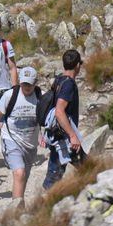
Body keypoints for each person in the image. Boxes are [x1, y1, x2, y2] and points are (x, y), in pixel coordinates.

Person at [0, 65, 40, 207]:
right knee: (19, 173)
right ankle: (17, 213)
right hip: (11, 140)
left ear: (35, 83)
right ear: (20, 82)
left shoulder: (40, 96)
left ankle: (18, 202)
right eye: (24, 83)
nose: (26, 87)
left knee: (23, 176)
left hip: (30, 144)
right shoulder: (10, 95)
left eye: (29, 84)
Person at [42, 49, 86, 190]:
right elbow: (59, 111)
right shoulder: (68, 84)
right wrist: (73, 136)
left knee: (57, 173)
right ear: (78, 65)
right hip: (64, 138)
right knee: (54, 178)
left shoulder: (59, 79)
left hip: (59, 135)